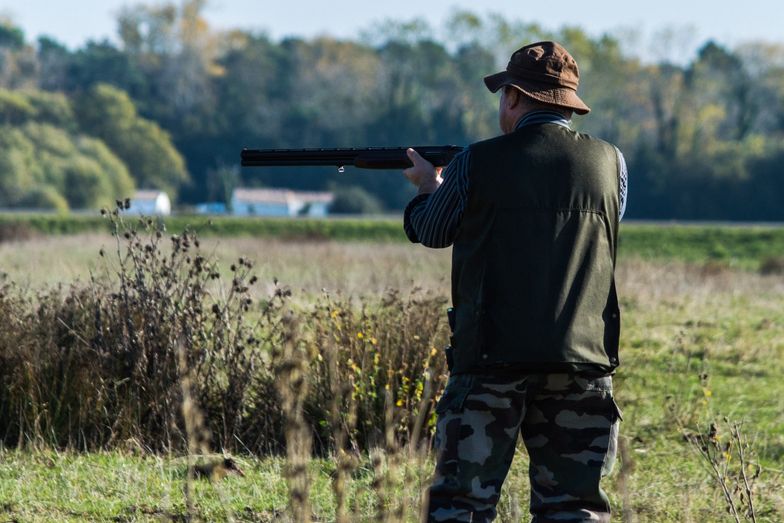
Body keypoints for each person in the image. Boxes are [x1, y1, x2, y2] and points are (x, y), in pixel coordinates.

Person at [402, 41, 628, 523]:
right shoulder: (612, 164)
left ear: (514, 97)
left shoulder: (475, 162)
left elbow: (433, 230)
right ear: (568, 103)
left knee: (460, 505)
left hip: (490, 361)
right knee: (574, 508)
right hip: (583, 361)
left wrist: (427, 188)